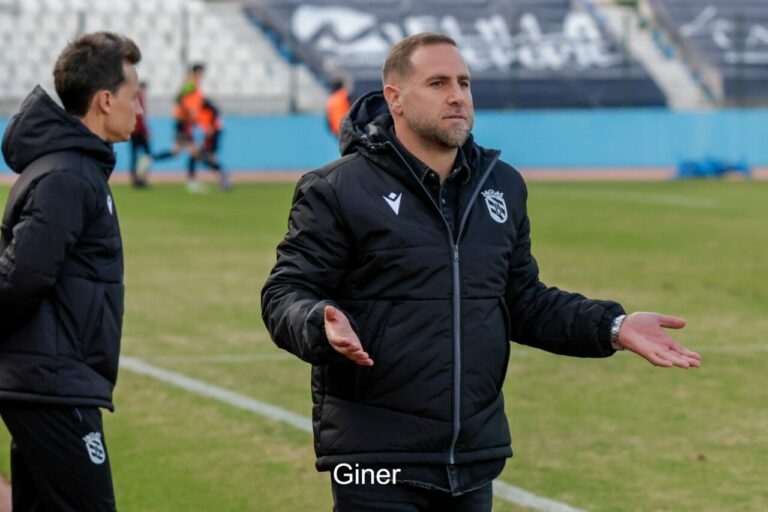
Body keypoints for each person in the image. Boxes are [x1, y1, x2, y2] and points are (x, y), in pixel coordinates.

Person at [261, 33, 701, 511]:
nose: (457, 95)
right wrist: (316, 321)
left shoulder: (502, 186)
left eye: (464, 83)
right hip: (375, 456)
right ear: (396, 98)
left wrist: (614, 327)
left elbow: (523, 301)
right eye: (438, 82)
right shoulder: (337, 189)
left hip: (472, 455)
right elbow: (286, 290)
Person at [0, 31, 141, 511]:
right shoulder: (68, 175)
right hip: (52, 387)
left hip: (47, 380)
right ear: (105, 100)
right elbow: (19, 279)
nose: (138, 109)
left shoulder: (75, 170)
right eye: (133, 96)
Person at [153, 63, 205, 192]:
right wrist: (188, 112)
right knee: (193, 151)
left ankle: (149, 159)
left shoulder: (194, 84)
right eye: (201, 72)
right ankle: (191, 181)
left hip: (184, 122)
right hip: (184, 122)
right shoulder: (191, 83)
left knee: (177, 151)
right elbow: (178, 98)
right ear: (197, 71)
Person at [189, 97, 232, 190]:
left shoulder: (209, 113)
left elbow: (210, 130)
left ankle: (223, 176)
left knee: (203, 157)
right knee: (206, 158)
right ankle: (223, 177)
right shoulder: (211, 113)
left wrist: (207, 138)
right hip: (212, 138)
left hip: (212, 138)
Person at [129, 80, 151, 188]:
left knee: (135, 156)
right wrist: (146, 132)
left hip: (133, 131)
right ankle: (141, 178)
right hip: (139, 132)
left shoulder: (135, 98)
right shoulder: (139, 99)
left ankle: (136, 178)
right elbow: (140, 118)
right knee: (147, 155)